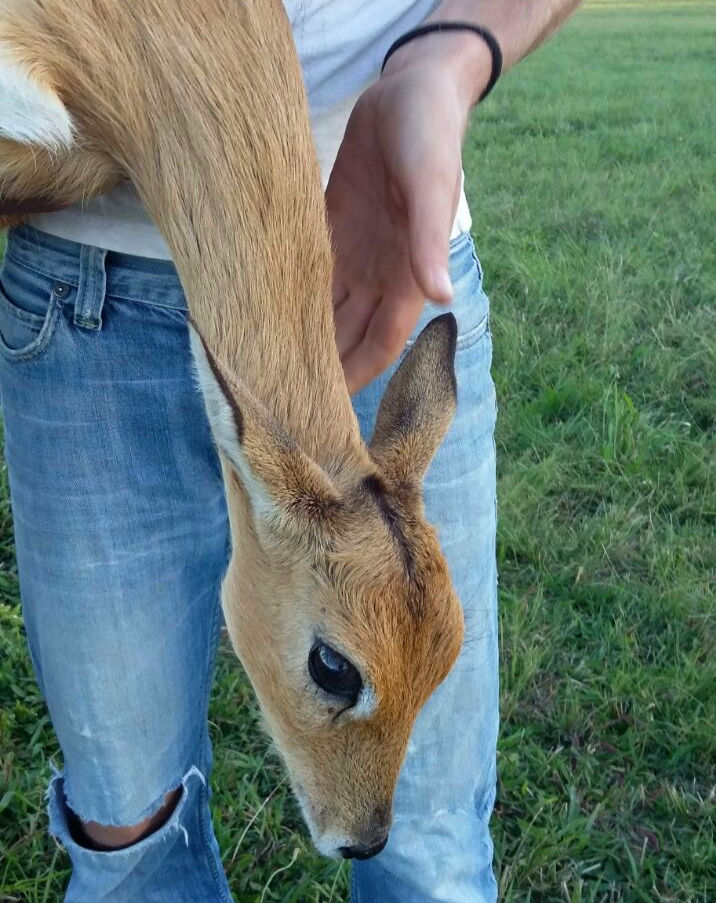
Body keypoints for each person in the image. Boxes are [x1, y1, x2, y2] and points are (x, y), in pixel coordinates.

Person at [0, 1, 581, 900]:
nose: (358, 818)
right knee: (129, 830)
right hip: (83, 280)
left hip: (385, 259)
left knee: (429, 846)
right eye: (333, 672)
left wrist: (447, 58)